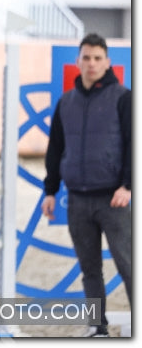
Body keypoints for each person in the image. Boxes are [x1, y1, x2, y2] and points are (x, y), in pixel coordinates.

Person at [41, 33, 131, 337]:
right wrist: (50, 191)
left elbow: (135, 144)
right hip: (77, 200)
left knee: (128, 265)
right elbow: (55, 149)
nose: (91, 63)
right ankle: (98, 326)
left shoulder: (123, 97)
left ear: (107, 62)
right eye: (86, 58)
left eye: (97, 58)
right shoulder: (66, 102)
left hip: (114, 200)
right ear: (78, 61)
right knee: (90, 269)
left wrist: (128, 185)